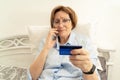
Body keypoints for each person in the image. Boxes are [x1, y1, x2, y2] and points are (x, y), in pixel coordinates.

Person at [28, 5, 101, 80]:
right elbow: (33, 76)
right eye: (56, 21)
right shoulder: (45, 42)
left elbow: (95, 78)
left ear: (72, 23)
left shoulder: (85, 42)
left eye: (65, 20)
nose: (60, 25)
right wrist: (46, 48)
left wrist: (87, 68)